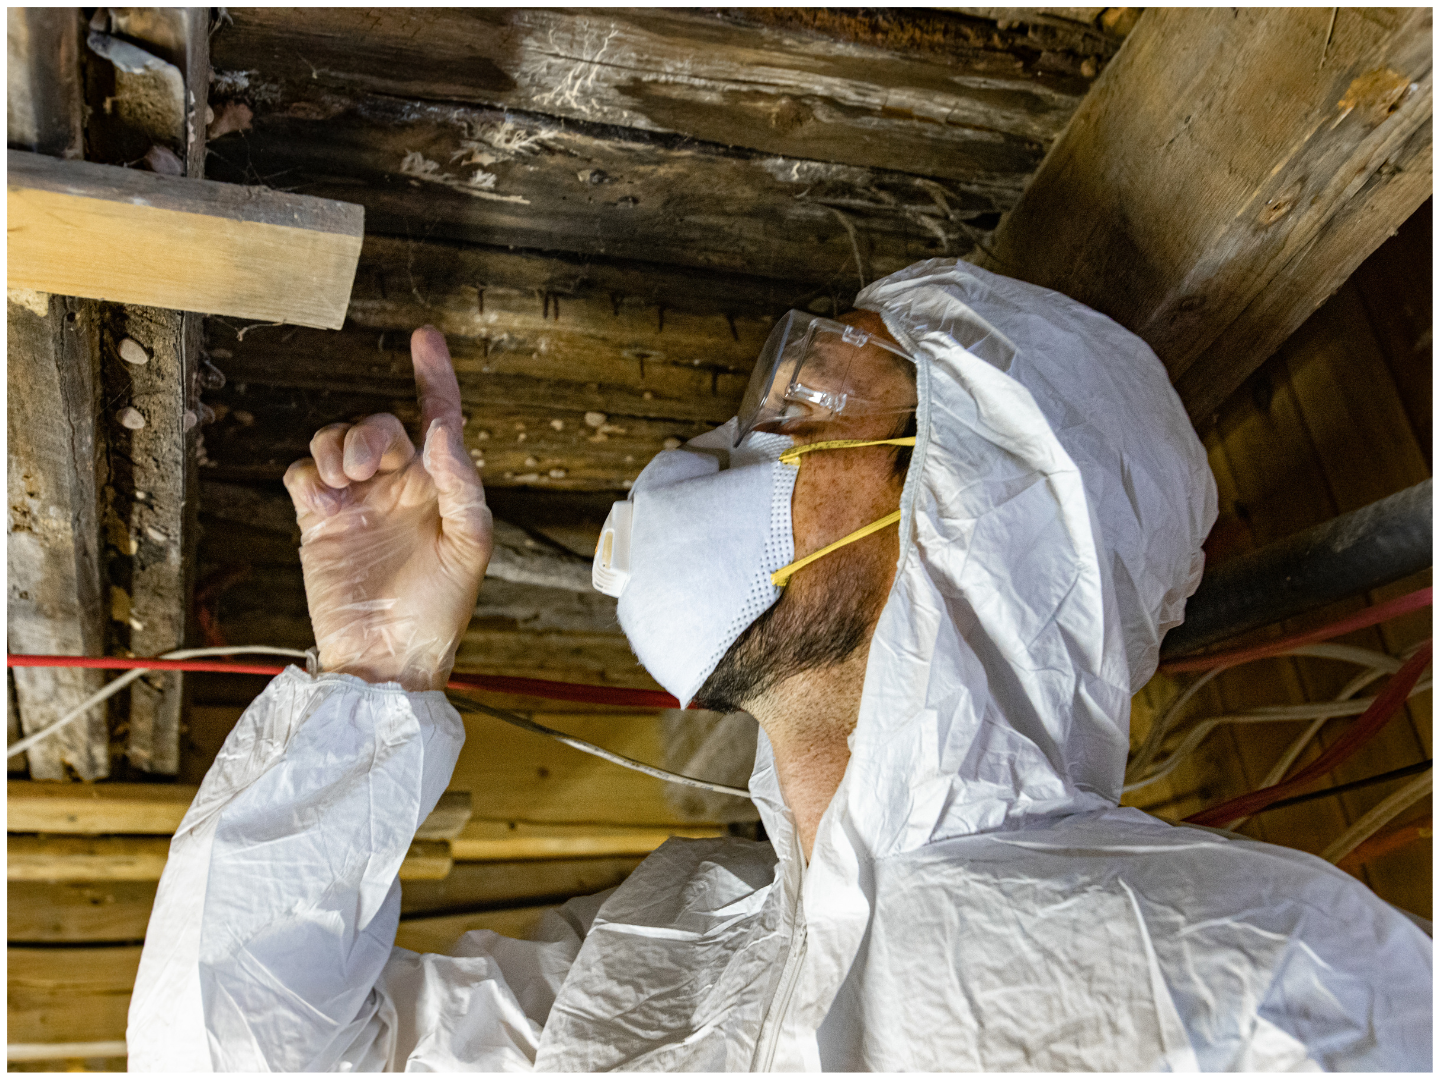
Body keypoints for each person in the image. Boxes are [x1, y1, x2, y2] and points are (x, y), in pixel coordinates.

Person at [128, 259, 1432, 1071]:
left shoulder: (1255, 967)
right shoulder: (662, 950)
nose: (708, 458)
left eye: (799, 407)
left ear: (973, 500)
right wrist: (372, 674)